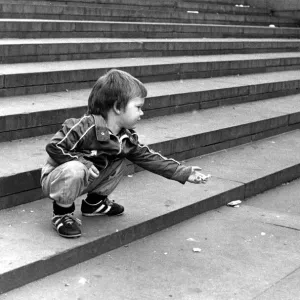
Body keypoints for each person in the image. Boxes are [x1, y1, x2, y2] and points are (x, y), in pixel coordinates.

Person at [41, 69, 210, 238]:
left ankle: (94, 204)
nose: (142, 113)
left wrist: (182, 172)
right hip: (57, 179)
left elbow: (147, 157)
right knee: (76, 169)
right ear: (117, 107)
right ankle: (62, 214)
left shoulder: (124, 137)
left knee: (121, 158)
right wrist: (83, 162)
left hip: (87, 178)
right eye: (138, 107)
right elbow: (54, 147)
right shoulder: (85, 127)